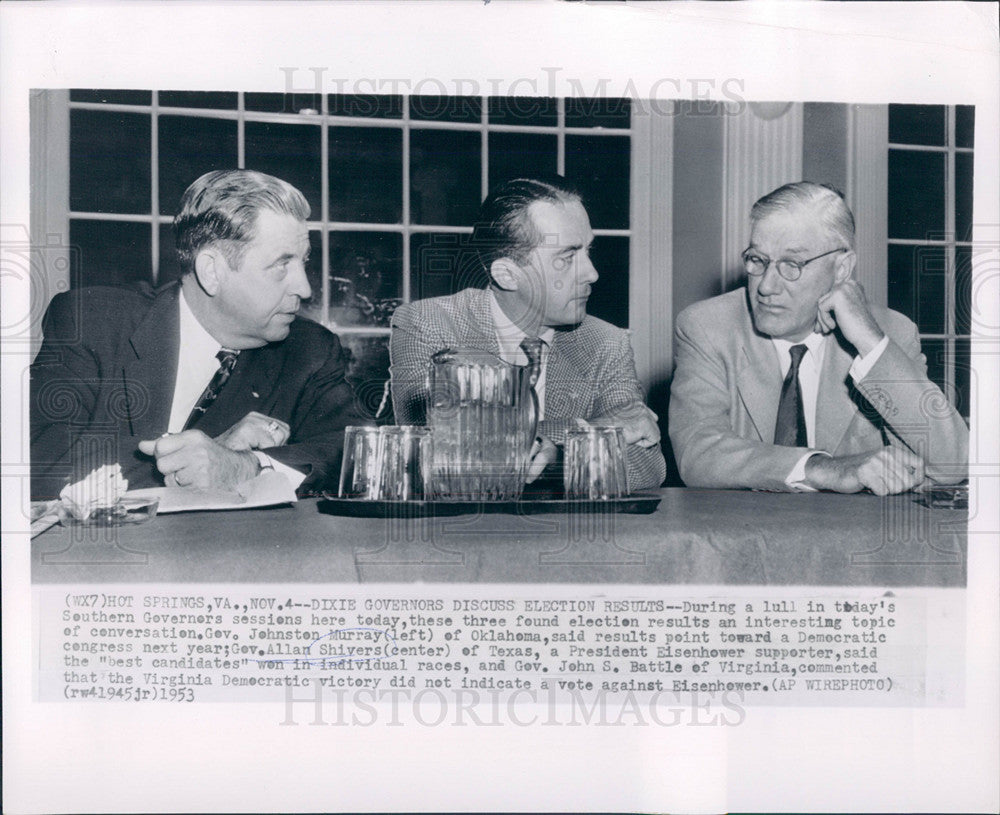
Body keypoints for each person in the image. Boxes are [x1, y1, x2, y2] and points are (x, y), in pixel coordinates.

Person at [30, 169, 359, 499]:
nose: (303, 288)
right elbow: (34, 459)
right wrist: (199, 459)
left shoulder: (310, 350)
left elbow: (355, 450)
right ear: (211, 272)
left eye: (303, 262)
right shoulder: (92, 322)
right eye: (281, 265)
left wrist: (248, 465)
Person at [668, 181, 968, 494]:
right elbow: (697, 453)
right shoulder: (707, 326)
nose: (766, 286)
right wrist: (821, 468)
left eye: (791, 264)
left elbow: (951, 466)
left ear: (841, 269)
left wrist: (869, 342)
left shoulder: (891, 334)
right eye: (758, 260)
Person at [389, 176, 666, 491]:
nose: (592, 273)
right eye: (566, 258)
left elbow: (649, 464)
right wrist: (593, 433)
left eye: (588, 250)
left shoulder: (606, 342)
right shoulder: (430, 323)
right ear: (507, 275)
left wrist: (558, 459)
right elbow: (440, 451)